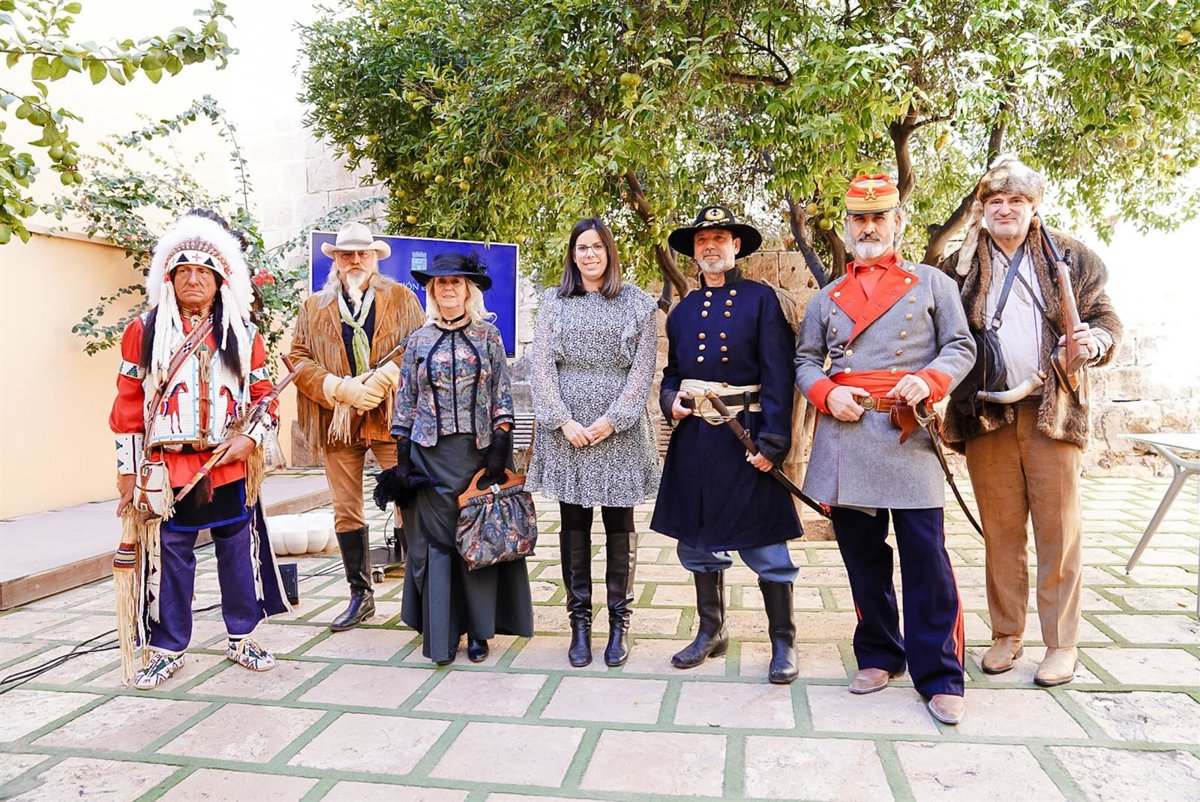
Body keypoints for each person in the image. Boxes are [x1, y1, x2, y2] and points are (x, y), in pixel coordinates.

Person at [795, 175, 976, 724]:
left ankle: (940, 674)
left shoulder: (932, 283)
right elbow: (805, 361)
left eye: (879, 218)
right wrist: (826, 393)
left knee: (927, 559)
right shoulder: (826, 297)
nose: (869, 227)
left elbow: (960, 346)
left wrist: (931, 380)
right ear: (848, 226)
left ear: (898, 222)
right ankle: (879, 653)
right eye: (860, 219)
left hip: (908, 431)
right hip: (847, 436)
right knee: (862, 558)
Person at [940, 155, 1122, 686]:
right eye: (995, 200)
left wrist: (1095, 341)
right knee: (1000, 532)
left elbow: (1105, 318)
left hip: (1053, 410)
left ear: (1033, 205)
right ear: (982, 208)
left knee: (1058, 531)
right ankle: (1006, 634)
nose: (1005, 209)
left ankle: (1061, 644)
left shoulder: (1070, 255)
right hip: (986, 412)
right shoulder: (958, 266)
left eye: (1016, 200)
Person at [110, 210, 289, 689]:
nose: (193, 279)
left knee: (237, 548)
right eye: (183, 270)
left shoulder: (243, 332)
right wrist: (127, 474)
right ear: (169, 277)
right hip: (167, 469)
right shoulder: (143, 330)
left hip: (227, 464)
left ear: (220, 279)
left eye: (203, 271)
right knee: (170, 554)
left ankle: (243, 634)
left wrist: (249, 439)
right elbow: (127, 405)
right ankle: (168, 646)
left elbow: (264, 396)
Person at [651, 205, 802, 685]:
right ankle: (711, 632)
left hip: (746, 436)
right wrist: (670, 400)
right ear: (693, 252)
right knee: (696, 543)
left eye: (719, 238)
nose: (710, 246)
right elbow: (673, 373)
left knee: (765, 543)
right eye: (702, 240)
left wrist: (773, 442)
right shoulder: (683, 310)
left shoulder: (761, 300)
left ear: (736, 246)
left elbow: (780, 375)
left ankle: (783, 641)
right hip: (696, 440)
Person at [379, 252, 533, 665]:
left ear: (468, 290)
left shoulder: (488, 337)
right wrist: (403, 457)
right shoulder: (418, 340)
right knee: (439, 545)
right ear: (432, 291)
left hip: (477, 456)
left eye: (456, 282)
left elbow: (502, 395)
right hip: (429, 460)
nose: (448, 288)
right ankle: (444, 631)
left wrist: (499, 448)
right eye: (441, 283)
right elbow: (406, 400)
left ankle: (479, 631)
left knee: (476, 542)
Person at [527, 218, 660, 667]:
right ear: (572, 254)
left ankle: (619, 623)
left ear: (610, 252)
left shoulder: (638, 303)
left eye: (597, 247)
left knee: (619, 524)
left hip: (618, 432)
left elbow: (643, 369)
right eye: (581, 247)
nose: (589, 255)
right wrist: (562, 420)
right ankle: (579, 624)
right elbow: (540, 367)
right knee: (574, 524)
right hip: (568, 432)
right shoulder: (553, 302)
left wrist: (613, 420)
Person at [290, 222, 425, 632]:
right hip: (339, 420)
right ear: (335, 259)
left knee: (410, 499)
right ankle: (360, 596)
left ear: (374, 258)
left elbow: (420, 344)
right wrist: (337, 388)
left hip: (390, 418)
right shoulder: (314, 306)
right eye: (346, 254)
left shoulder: (401, 298)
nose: (354, 261)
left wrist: (384, 378)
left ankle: (420, 595)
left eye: (362, 254)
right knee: (346, 508)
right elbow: (298, 358)